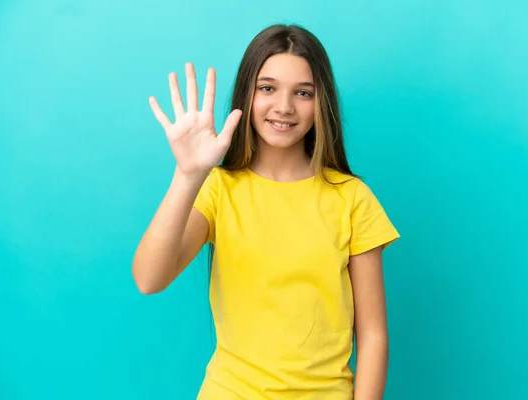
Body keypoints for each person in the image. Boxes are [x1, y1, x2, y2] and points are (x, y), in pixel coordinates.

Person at [132, 23, 400, 400]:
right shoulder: (219, 189)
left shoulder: (352, 199)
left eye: (303, 92)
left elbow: (372, 335)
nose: (284, 107)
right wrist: (187, 175)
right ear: (247, 93)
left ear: (320, 102)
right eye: (268, 88)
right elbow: (149, 279)